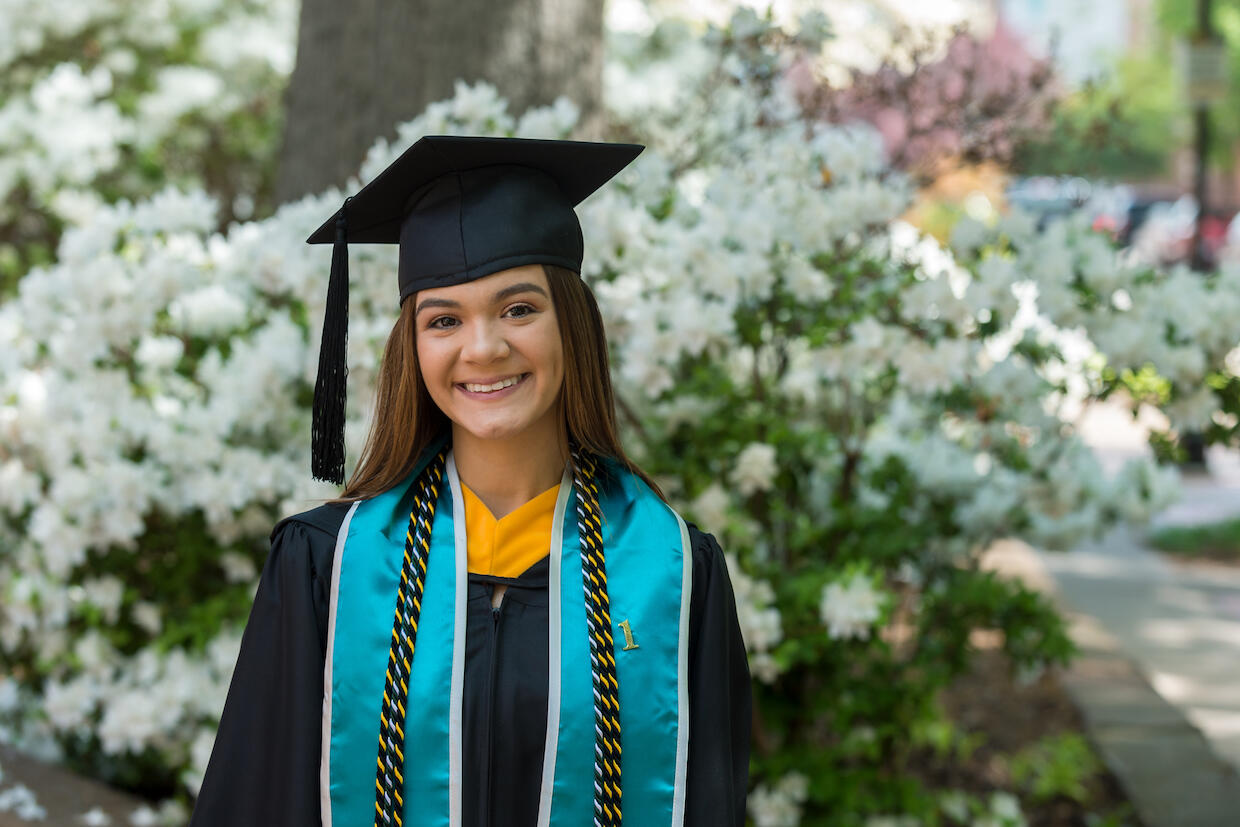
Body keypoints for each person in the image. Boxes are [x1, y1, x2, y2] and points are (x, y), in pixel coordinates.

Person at [189, 136, 751, 827]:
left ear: (572, 324)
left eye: (519, 309)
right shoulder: (327, 566)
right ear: (413, 346)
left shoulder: (673, 574)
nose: (482, 348)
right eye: (444, 320)